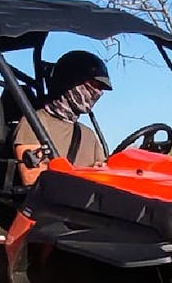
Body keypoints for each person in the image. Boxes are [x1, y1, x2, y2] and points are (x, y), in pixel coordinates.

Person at [13, 50, 111, 184]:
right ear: (70, 81)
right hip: (42, 204)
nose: (97, 93)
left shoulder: (88, 135)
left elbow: (106, 178)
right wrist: (85, 176)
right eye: (93, 85)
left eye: (101, 89)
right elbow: (31, 178)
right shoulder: (34, 123)